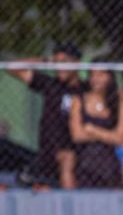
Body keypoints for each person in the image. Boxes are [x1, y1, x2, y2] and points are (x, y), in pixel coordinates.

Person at [6, 43, 86, 188]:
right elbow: (12, 67)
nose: (59, 67)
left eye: (64, 62)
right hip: (47, 153)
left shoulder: (85, 90)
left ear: (76, 63)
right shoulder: (49, 84)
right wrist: (44, 61)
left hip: (72, 155)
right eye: (56, 63)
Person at [68, 61, 123, 188]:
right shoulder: (79, 100)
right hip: (85, 163)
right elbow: (77, 135)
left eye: (101, 74)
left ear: (109, 76)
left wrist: (93, 130)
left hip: (109, 165)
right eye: (93, 74)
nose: (96, 79)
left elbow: (120, 138)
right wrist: (108, 136)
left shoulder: (119, 101)